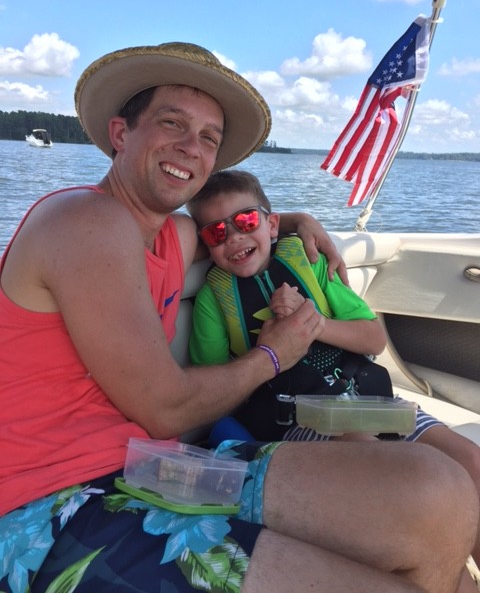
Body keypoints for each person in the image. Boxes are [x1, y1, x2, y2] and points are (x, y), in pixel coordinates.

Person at [0, 41, 477, 593]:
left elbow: (222, 234)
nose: (191, 147)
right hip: (53, 502)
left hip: (149, 469)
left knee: (436, 492)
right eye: (172, 122)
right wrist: (274, 354)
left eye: (208, 137)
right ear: (120, 134)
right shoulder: (86, 218)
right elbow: (164, 408)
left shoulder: (168, 236)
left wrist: (292, 218)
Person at [187, 168, 480, 584]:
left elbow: (374, 337)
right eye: (216, 233)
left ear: (271, 225)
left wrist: (316, 324)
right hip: (301, 418)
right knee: (378, 464)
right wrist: (270, 349)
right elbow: (213, 391)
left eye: (246, 222)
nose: (234, 238)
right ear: (207, 245)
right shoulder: (213, 302)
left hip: (367, 399)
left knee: (470, 460)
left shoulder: (309, 264)